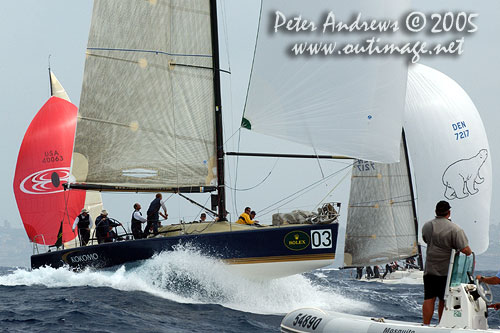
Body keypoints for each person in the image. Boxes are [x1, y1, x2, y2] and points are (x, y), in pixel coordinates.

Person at [421, 200, 472, 325]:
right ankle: (441, 325)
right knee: (444, 299)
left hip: (430, 269)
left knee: (429, 298)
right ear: (448, 212)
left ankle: (425, 324)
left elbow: (425, 239)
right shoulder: (455, 229)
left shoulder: (427, 226)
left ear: (436, 212)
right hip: (447, 272)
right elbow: (466, 250)